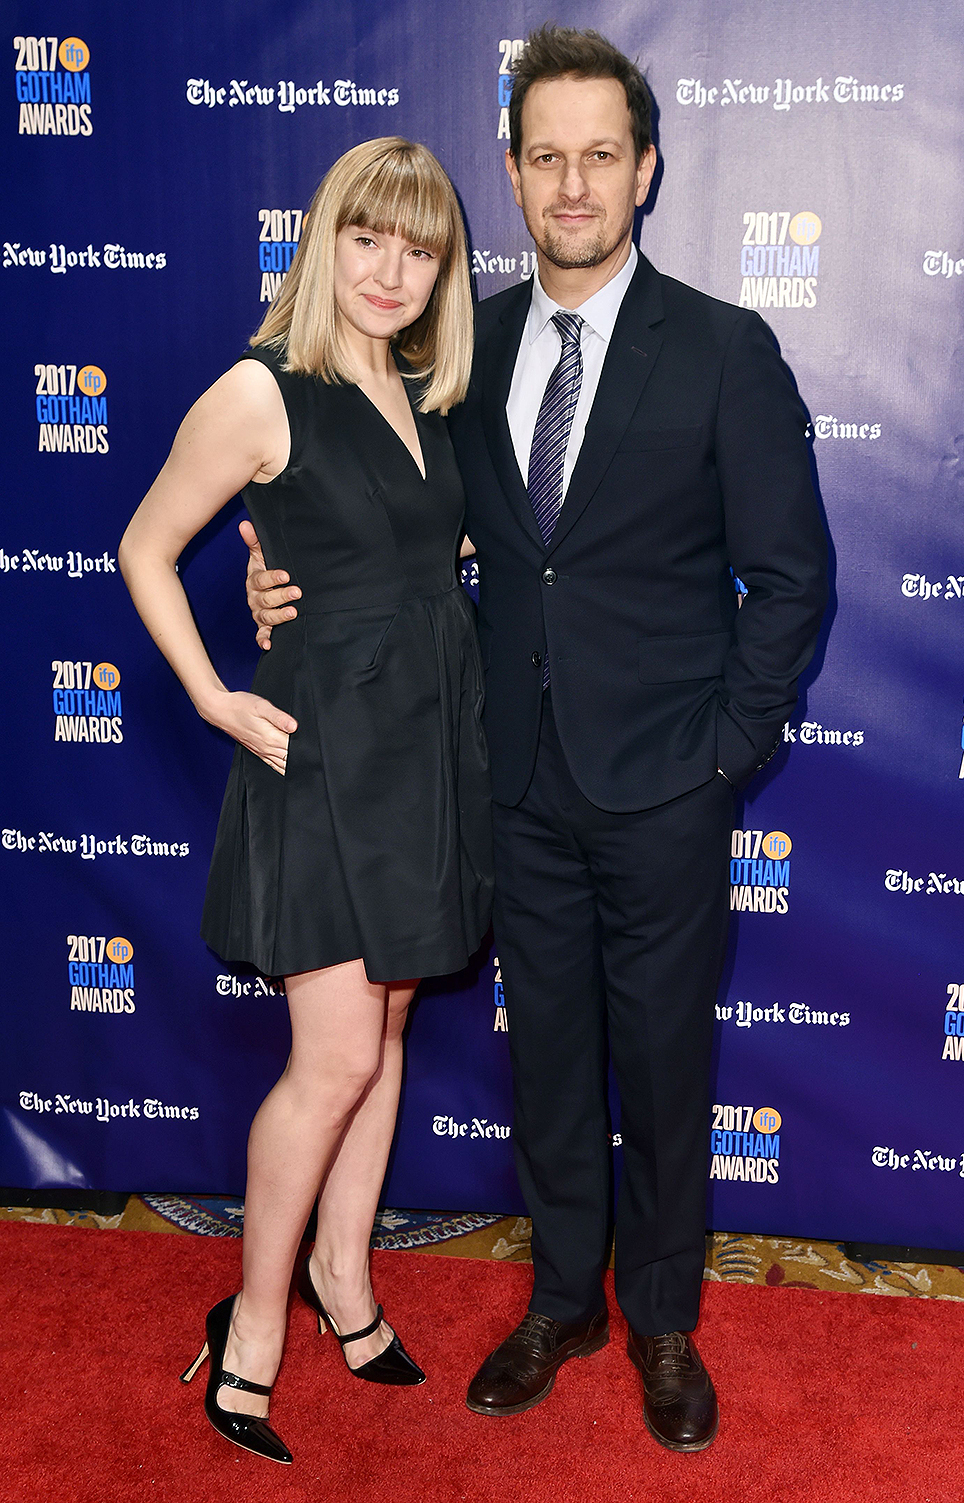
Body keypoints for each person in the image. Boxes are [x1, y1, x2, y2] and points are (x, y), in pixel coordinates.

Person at [245, 28, 828, 1455]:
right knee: (551, 1060)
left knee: (668, 1064)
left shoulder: (724, 347)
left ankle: (666, 1323)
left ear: (645, 173)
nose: (573, 184)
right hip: (505, 780)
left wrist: (722, 758)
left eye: (601, 156)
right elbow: (387, 525)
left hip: (667, 786)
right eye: (546, 157)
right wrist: (281, 589)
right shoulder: (464, 345)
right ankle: (561, 1302)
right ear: (512, 173)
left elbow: (792, 579)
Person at [118, 137, 492, 1465]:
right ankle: (254, 1327)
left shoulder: (430, 393)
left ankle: (347, 1281)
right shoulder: (260, 391)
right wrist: (218, 693)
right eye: (369, 237)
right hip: (322, 759)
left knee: (384, 1036)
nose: (393, 269)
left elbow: (413, 550)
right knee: (332, 1054)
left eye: (422, 246)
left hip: (427, 754)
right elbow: (145, 545)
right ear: (324, 239)